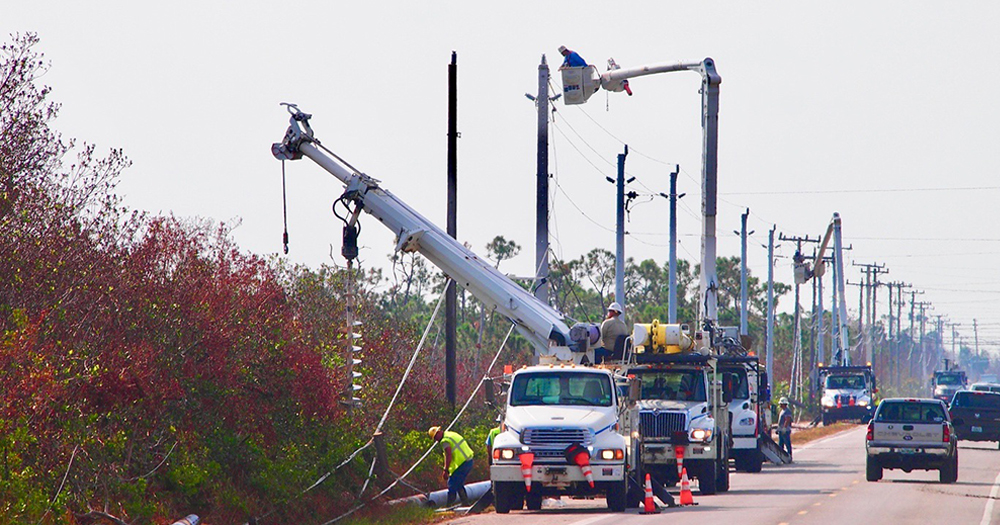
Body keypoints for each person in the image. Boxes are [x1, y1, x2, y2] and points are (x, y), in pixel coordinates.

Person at [428, 426, 475, 506]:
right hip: (469, 460)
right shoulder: (450, 434)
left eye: (436, 437)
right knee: (459, 483)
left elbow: (448, 455)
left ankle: (449, 504)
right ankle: (465, 502)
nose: (436, 440)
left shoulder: (445, 441)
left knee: (452, 482)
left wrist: (445, 470)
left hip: (462, 463)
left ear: (439, 433)